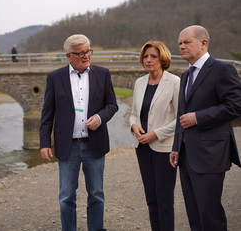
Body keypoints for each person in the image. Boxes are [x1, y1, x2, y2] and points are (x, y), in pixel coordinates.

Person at [39, 34, 118, 231]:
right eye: (80, 53)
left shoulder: (103, 73)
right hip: (68, 145)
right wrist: (44, 143)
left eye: (88, 51)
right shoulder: (55, 78)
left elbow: (112, 105)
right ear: (68, 56)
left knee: (97, 193)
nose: (86, 56)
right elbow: (47, 114)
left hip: (95, 144)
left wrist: (100, 118)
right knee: (66, 196)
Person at [169, 25, 241, 231]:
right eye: (180, 43)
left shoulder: (222, 70)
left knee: (210, 215)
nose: (182, 46)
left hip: (211, 155)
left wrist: (199, 117)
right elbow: (181, 115)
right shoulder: (185, 76)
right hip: (186, 155)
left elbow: (235, 106)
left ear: (203, 43)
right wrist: (176, 147)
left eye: (186, 42)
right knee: (194, 213)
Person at [130, 40, 180, 231]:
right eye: (145, 56)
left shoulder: (174, 82)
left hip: (164, 148)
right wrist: (134, 125)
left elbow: (179, 119)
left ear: (163, 59)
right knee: (151, 198)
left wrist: (155, 134)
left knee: (164, 200)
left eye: (153, 56)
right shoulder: (139, 82)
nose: (148, 60)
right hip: (142, 148)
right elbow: (134, 112)